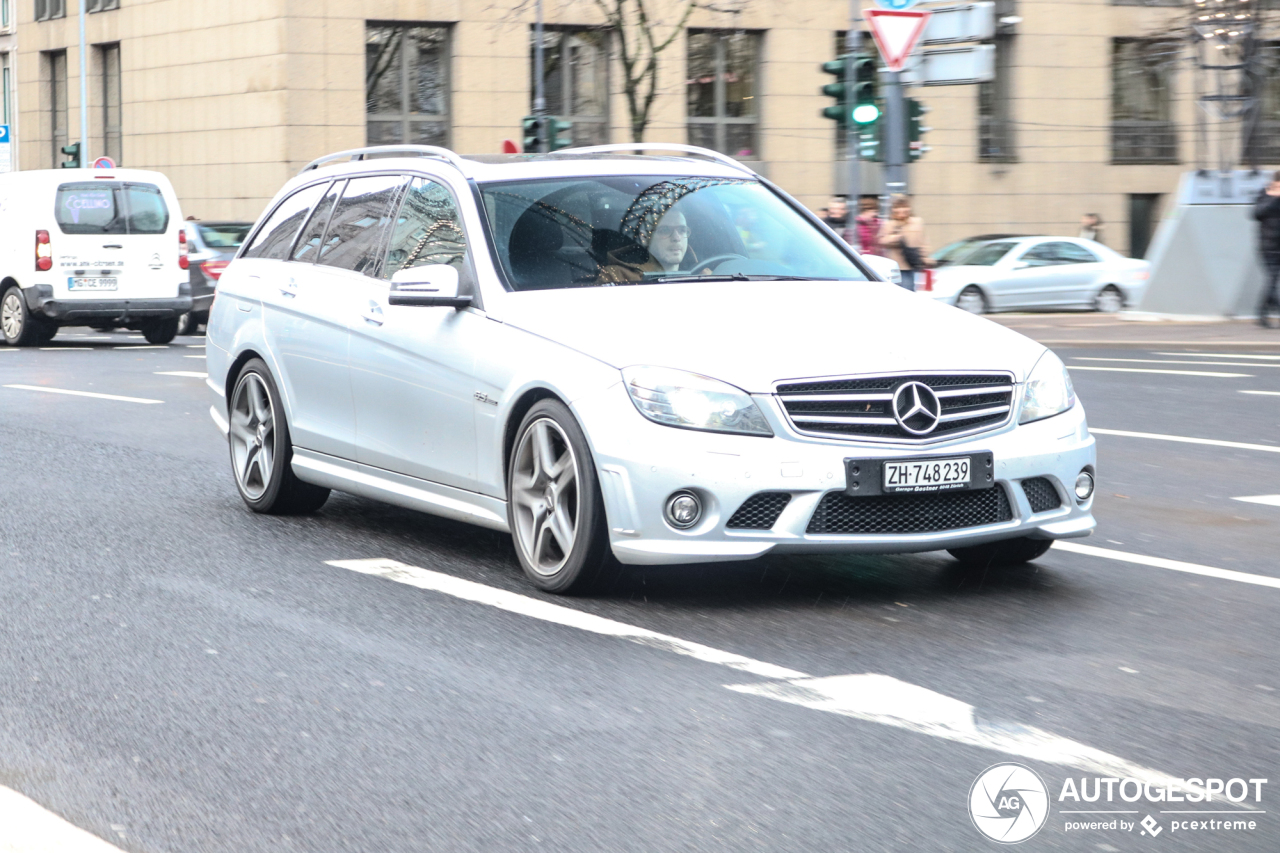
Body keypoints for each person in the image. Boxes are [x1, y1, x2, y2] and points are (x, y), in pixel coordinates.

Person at [597, 208, 692, 282]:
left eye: (682, 230)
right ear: (645, 238)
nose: (676, 238)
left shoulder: (703, 274)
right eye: (665, 230)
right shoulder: (617, 277)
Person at [877, 196, 931, 289]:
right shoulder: (890, 224)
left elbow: (924, 241)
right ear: (893, 210)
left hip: (912, 263)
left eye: (904, 206)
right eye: (898, 207)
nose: (901, 210)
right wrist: (896, 238)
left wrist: (924, 257)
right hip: (896, 265)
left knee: (910, 289)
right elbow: (882, 240)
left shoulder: (917, 222)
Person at [1254, 172, 1280, 328]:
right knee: (1271, 279)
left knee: (1273, 280)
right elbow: (1256, 214)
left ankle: (1265, 311)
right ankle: (1263, 313)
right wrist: (1274, 198)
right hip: (1268, 246)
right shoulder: (1265, 194)